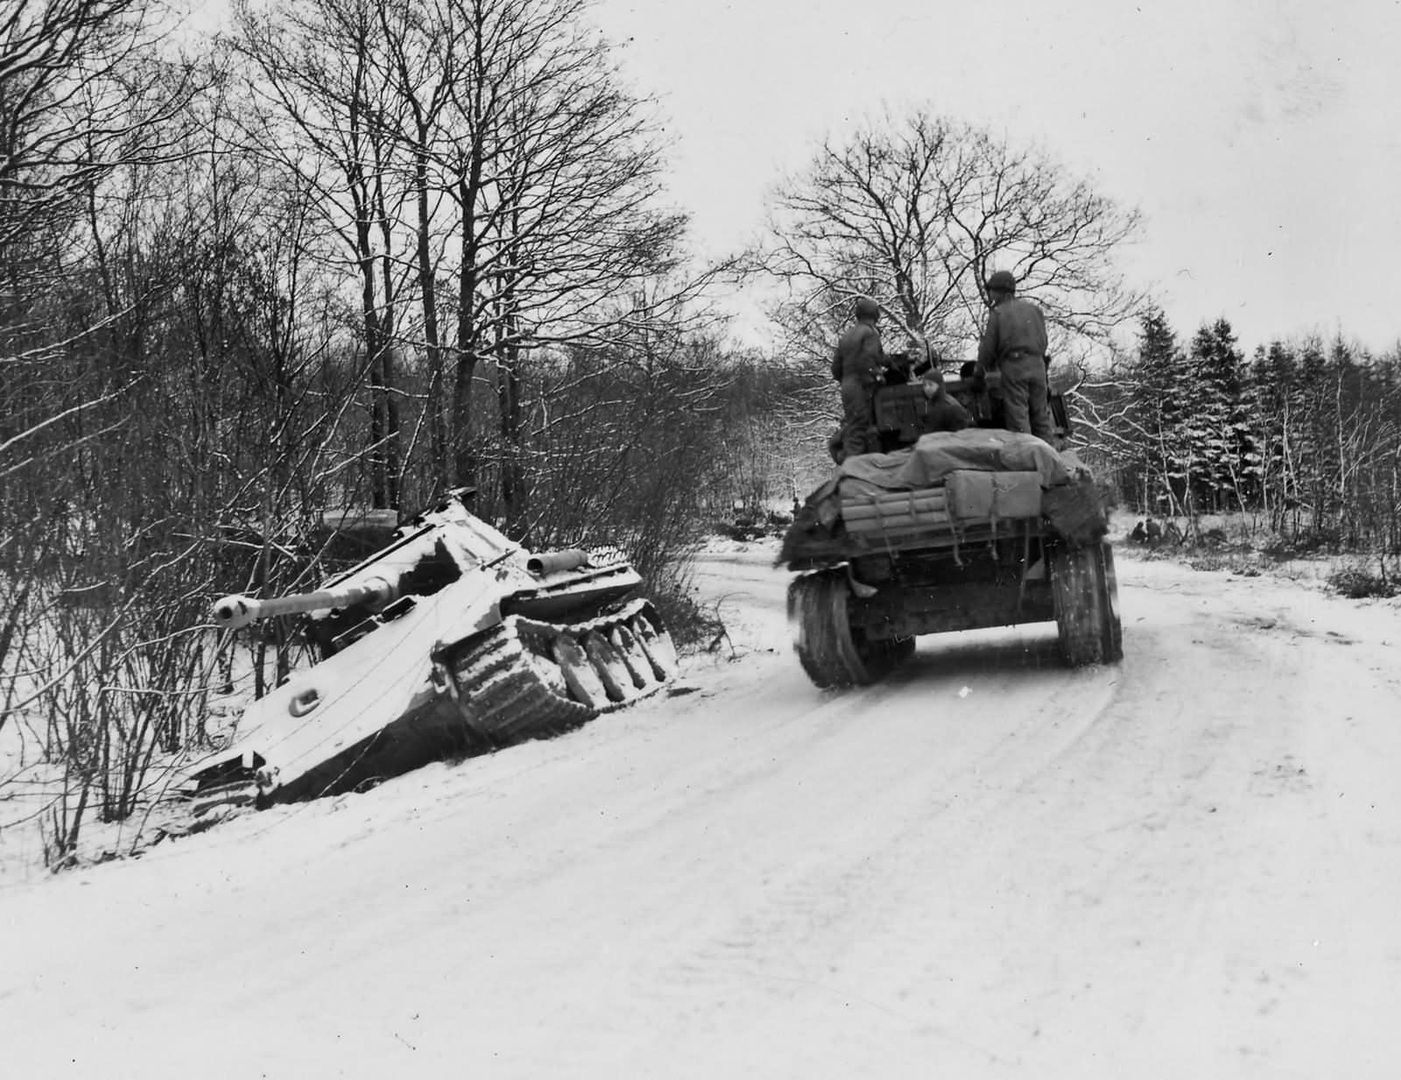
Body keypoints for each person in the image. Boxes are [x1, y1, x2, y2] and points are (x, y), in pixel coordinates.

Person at [975, 270, 1056, 445]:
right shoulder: (1034, 310)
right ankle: (1049, 460)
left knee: (1019, 418)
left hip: (1014, 366)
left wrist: (978, 373)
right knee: (1041, 416)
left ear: (998, 291)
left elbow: (988, 349)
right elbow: (1044, 340)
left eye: (991, 290)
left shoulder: (998, 313)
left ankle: (1028, 461)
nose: (989, 294)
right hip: (1038, 365)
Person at [832, 296, 889, 458]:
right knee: (861, 428)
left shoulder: (847, 336)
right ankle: (853, 470)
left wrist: (848, 379)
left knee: (854, 426)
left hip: (848, 386)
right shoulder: (871, 332)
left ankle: (854, 465)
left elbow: (836, 368)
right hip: (862, 386)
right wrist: (877, 377)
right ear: (875, 314)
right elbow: (870, 359)